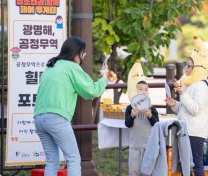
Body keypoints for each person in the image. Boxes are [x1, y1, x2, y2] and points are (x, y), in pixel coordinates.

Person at [34, 36, 114, 176]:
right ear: (76, 53)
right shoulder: (72, 67)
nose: (83, 57)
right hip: (57, 118)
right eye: (82, 53)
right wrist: (104, 78)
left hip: (39, 118)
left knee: (52, 160)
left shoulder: (52, 65)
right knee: (73, 158)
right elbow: (92, 91)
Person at [165, 35, 208, 176]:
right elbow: (185, 108)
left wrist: (183, 94)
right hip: (187, 129)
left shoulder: (201, 86)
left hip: (195, 132)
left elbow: (195, 109)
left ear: (198, 68)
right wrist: (175, 104)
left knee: (196, 164)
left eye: (189, 66)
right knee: (186, 164)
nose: (185, 68)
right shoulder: (191, 84)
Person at [125, 81, 159, 176]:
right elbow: (128, 124)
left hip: (148, 146)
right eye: (140, 89)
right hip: (135, 145)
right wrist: (132, 115)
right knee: (134, 171)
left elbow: (156, 124)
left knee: (148, 171)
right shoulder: (130, 108)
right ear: (135, 91)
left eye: (146, 89)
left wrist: (150, 116)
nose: (143, 92)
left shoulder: (151, 108)